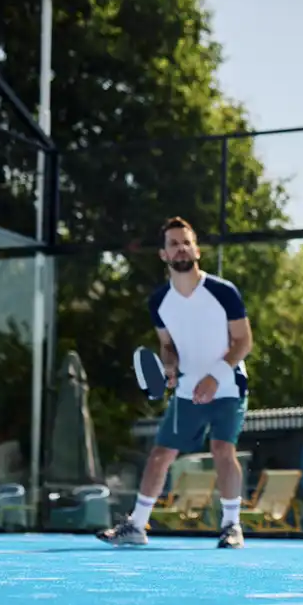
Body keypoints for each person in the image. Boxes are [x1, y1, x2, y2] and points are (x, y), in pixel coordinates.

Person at [97, 217, 253, 549]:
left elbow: (243, 342)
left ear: (196, 248)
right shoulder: (158, 302)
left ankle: (231, 526)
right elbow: (168, 345)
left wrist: (214, 377)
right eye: (173, 243)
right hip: (186, 389)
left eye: (185, 242)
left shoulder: (223, 292)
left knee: (222, 450)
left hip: (228, 385)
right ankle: (136, 526)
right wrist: (169, 367)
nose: (180, 248)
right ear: (164, 255)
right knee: (159, 455)